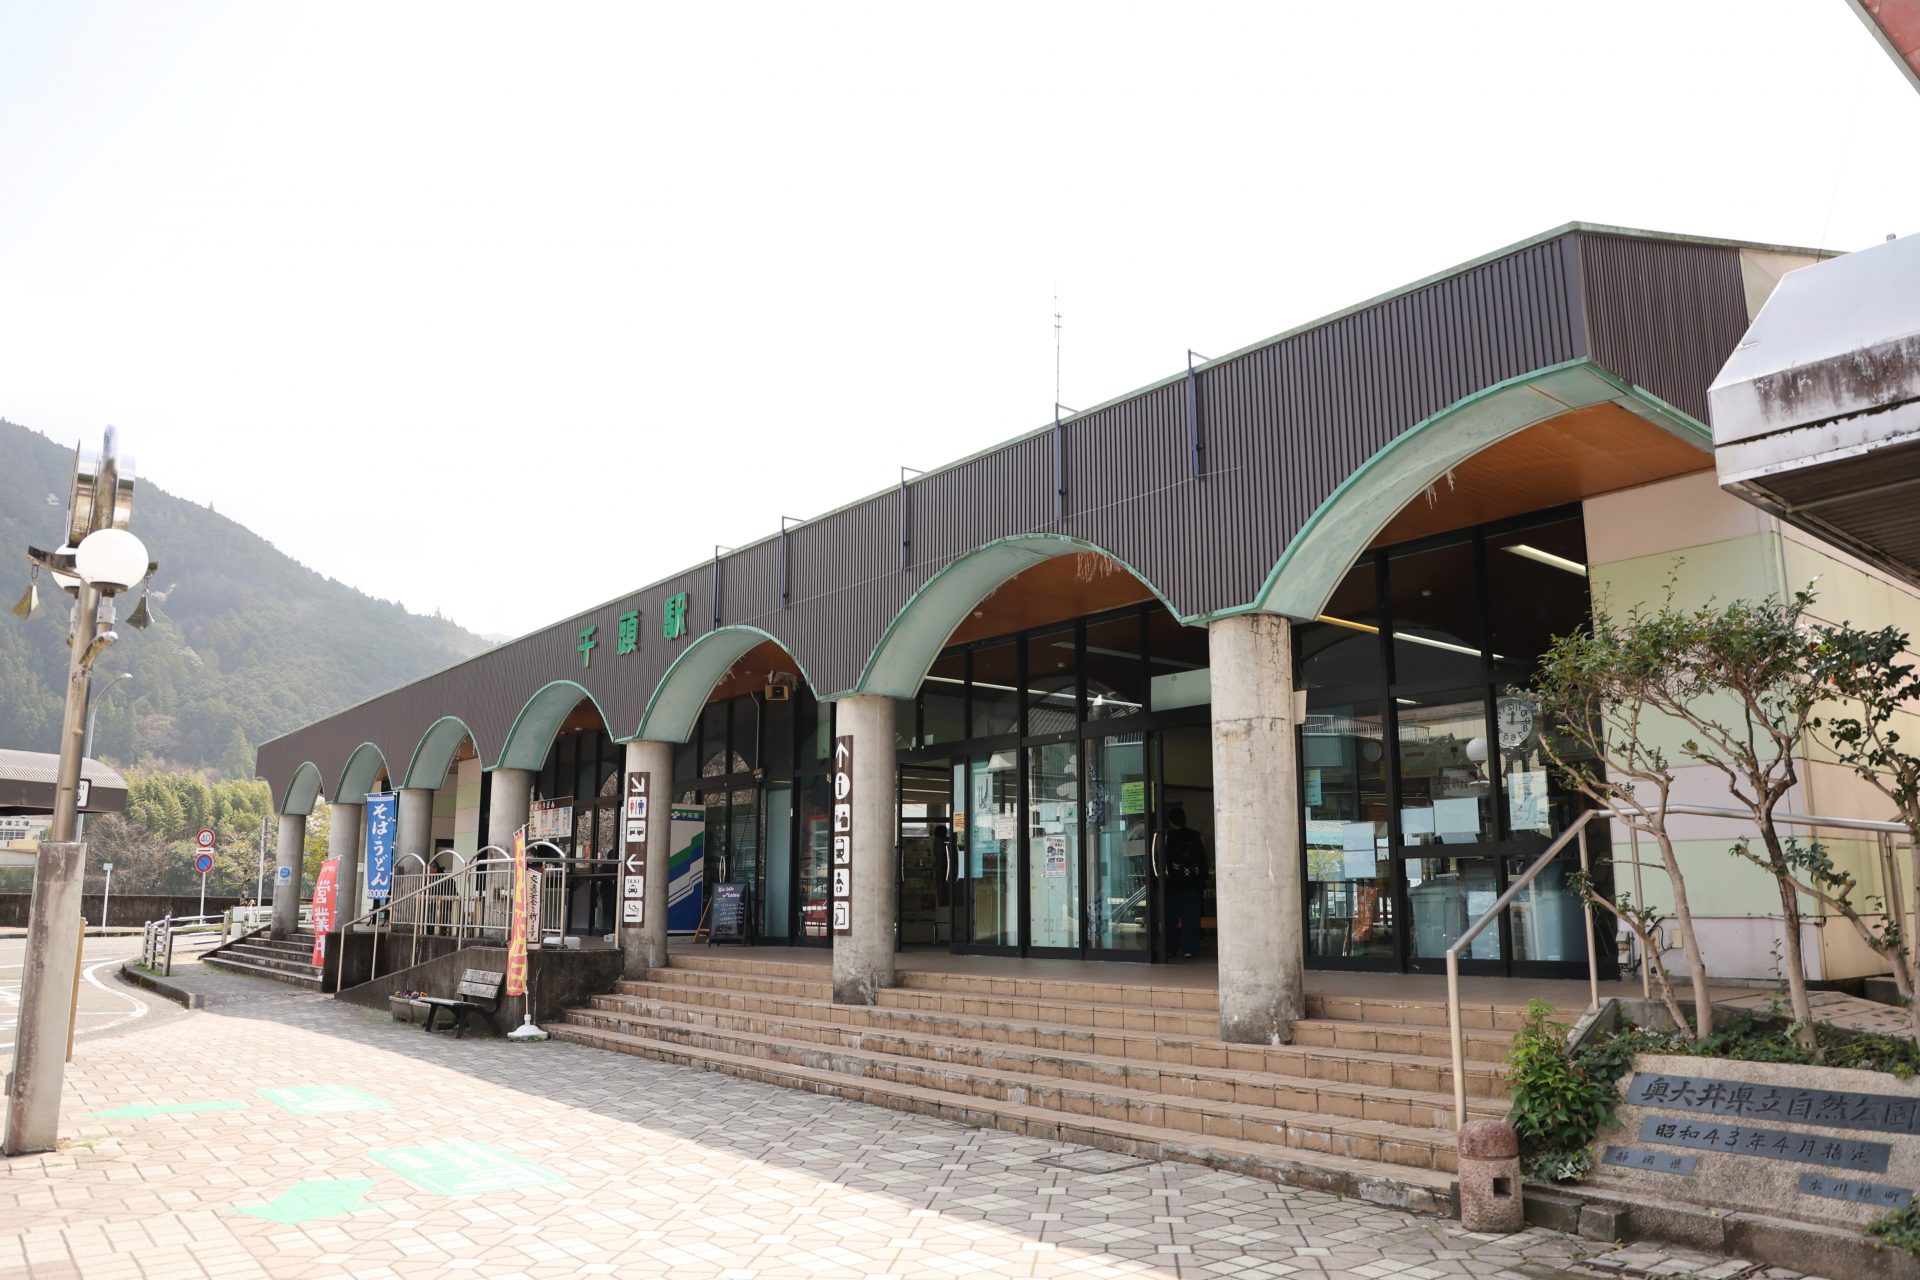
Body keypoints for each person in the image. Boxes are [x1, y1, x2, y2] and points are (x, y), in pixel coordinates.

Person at [1162, 805, 1208, 958]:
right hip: (1193, 885)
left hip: (1174, 885)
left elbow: (1164, 861)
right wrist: (1202, 881)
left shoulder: (1167, 837)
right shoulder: (1194, 836)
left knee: (1172, 919)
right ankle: (1190, 949)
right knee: (1191, 919)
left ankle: (1171, 948)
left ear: (1170, 821)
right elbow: (1202, 859)